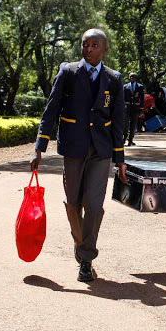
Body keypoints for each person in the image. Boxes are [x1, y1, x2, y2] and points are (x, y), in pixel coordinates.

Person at [30, 28, 127, 282]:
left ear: (105, 48)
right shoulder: (69, 72)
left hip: (101, 150)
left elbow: (118, 120)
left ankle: (86, 257)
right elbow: (51, 109)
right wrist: (40, 146)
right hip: (73, 147)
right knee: (73, 203)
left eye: (95, 45)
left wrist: (120, 158)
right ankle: (80, 242)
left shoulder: (114, 79)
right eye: (85, 44)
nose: (89, 49)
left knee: (94, 206)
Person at [123, 72, 144, 146]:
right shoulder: (125, 87)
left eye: (134, 77)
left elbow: (142, 98)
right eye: (131, 77)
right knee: (125, 124)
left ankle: (130, 140)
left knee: (133, 124)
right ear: (129, 77)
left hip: (135, 108)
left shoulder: (140, 87)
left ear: (136, 78)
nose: (132, 78)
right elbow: (122, 98)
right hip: (127, 107)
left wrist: (141, 109)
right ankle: (124, 137)